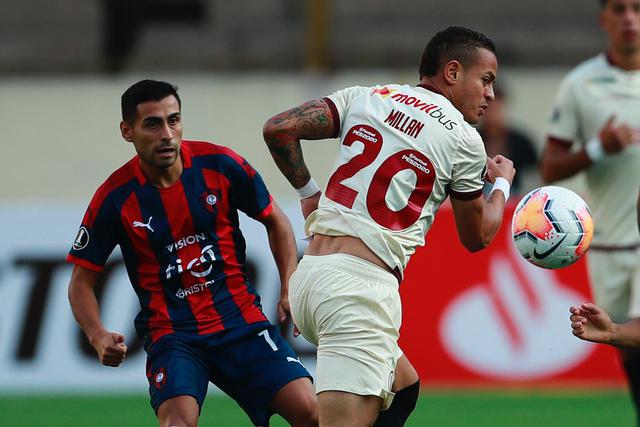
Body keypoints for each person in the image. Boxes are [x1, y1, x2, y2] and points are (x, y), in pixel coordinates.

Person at [262, 26, 515, 427]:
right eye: (486, 80)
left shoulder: (367, 97)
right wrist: (501, 183)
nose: (490, 95)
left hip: (309, 278)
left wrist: (308, 192)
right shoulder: (465, 140)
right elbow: (478, 236)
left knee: (404, 388)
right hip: (357, 292)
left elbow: (279, 129)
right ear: (452, 72)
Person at [67, 79, 318, 427]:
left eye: (174, 120)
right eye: (153, 124)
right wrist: (96, 335)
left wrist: (290, 285)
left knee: (312, 412)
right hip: (174, 335)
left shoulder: (220, 164)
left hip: (241, 323)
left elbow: (275, 219)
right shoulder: (114, 198)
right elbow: (81, 281)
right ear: (127, 131)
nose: (167, 134)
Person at [540, 0, 640, 422]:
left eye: (637, 8)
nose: (630, 19)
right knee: (631, 357)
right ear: (604, 19)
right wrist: (600, 148)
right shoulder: (580, 84)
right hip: (608, 247)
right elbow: (550, 166)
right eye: (619, 9)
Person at [477, 85, 538, 196]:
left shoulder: (521, 142)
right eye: (489, 109)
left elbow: (532, 178)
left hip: (515, 200)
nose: (492, 115)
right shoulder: (471, 139)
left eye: (497, 109)